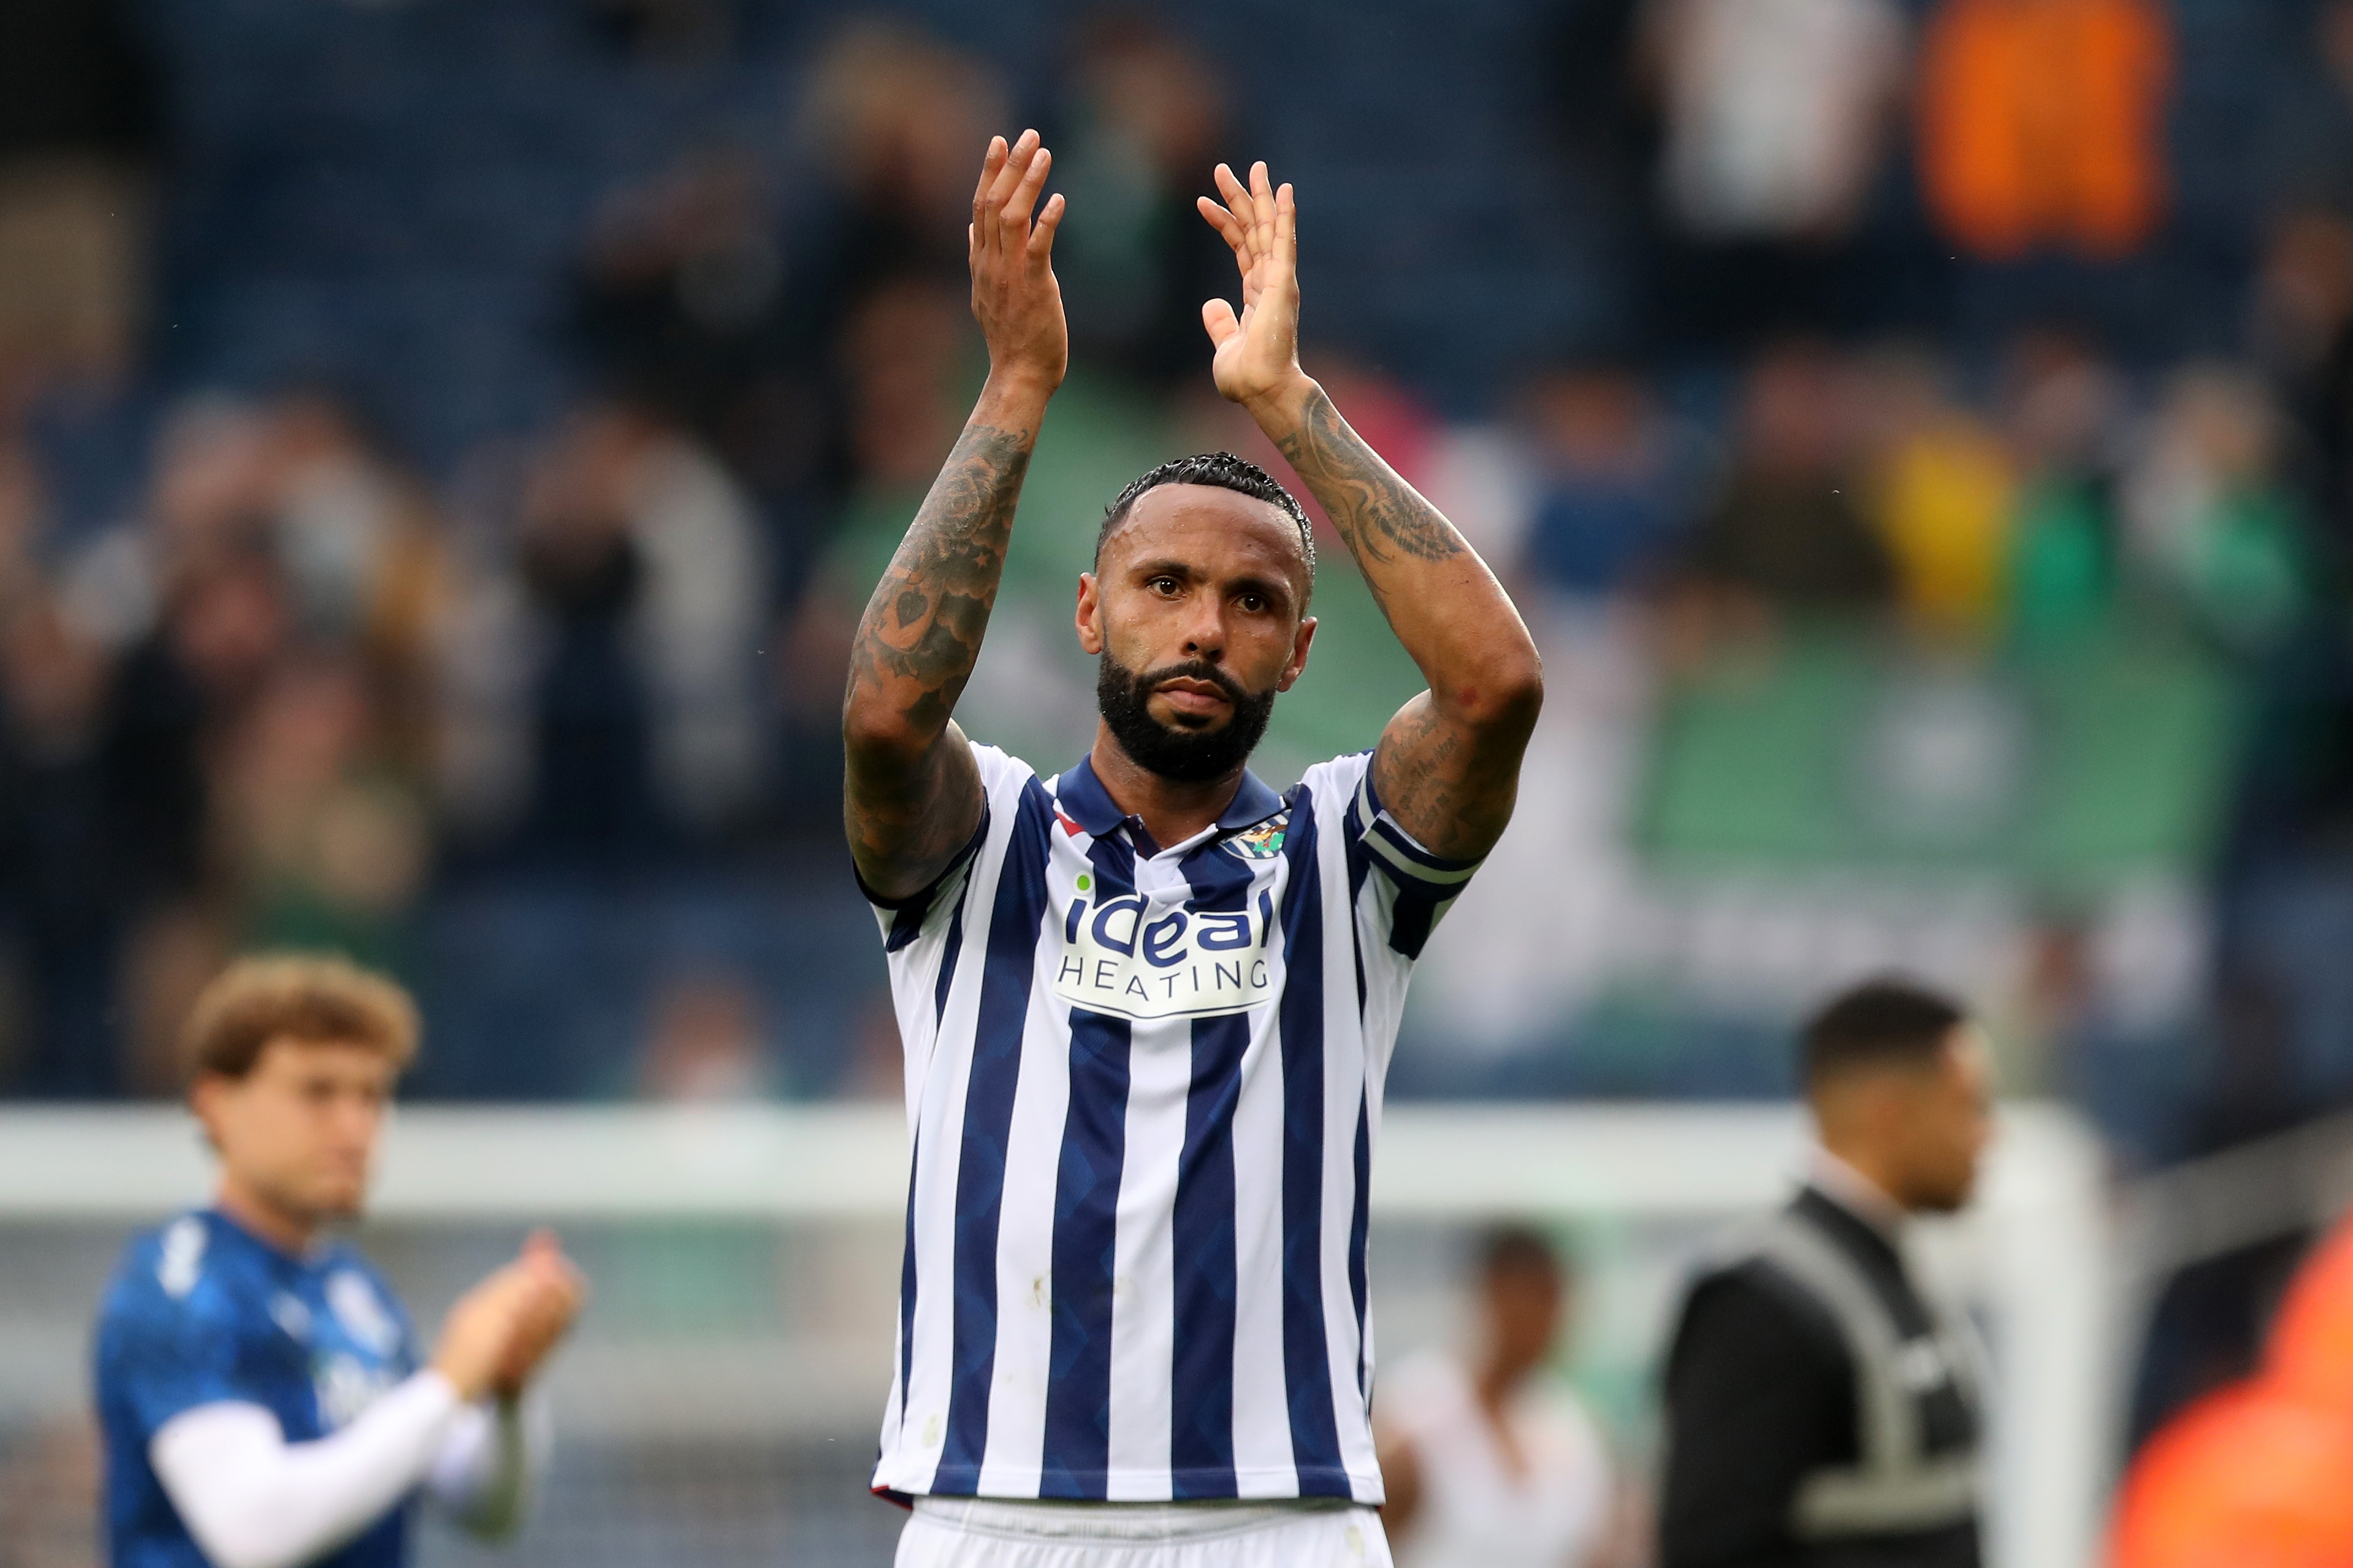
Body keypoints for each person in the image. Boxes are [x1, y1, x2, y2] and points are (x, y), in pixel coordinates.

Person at [842, 134, 1543, 1566]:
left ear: (1299, 648)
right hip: (996, 1507)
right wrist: (1017, 389)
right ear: (1091, 613)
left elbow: (1495, 687)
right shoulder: (984, 844)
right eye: (1166, 584)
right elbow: (883, 711)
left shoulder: (1341, 858)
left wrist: (1291, 406)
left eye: (1248, 597)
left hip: (1279, 1517)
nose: (1205, 624)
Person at [93, 953, 587, 1568]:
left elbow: (486, 1509)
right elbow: (253, 1532)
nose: (354, 1127)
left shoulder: (355, 1289)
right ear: (216, 1103)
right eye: (317, 1091)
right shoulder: (177, 1287)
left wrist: (509, 1392)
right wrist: (449, 1382)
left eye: (372, 1095)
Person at [1658, 979, 1993, 1568]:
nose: (1988, 1136)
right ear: (1889, 1112)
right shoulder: (1759, 1303)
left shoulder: (1894, 1277)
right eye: (1968, 1105)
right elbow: (1709, 1548)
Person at [1376, 1227, 1617, 1568]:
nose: (1550, 1318)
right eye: (1534, 1297)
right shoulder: (1417, 1407)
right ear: (1492, 1293)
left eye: (1555, 1300)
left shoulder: (1570, 1427)